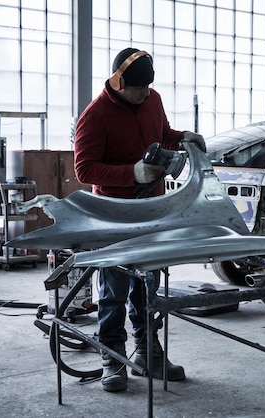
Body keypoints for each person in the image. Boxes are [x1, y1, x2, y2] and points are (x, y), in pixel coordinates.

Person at [74, 47, 205, 392]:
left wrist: (182, 138)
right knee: (114, 287)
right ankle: (112, 357)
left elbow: (161, 134)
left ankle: (148, 351)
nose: (145, 94)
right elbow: (84, 169)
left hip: (152, 207)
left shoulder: (152, 98)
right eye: (138, 88)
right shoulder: (94, 115)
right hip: (114, 213)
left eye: (149, 87)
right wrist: (131, 173)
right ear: (118, 82)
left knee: (148, 283)